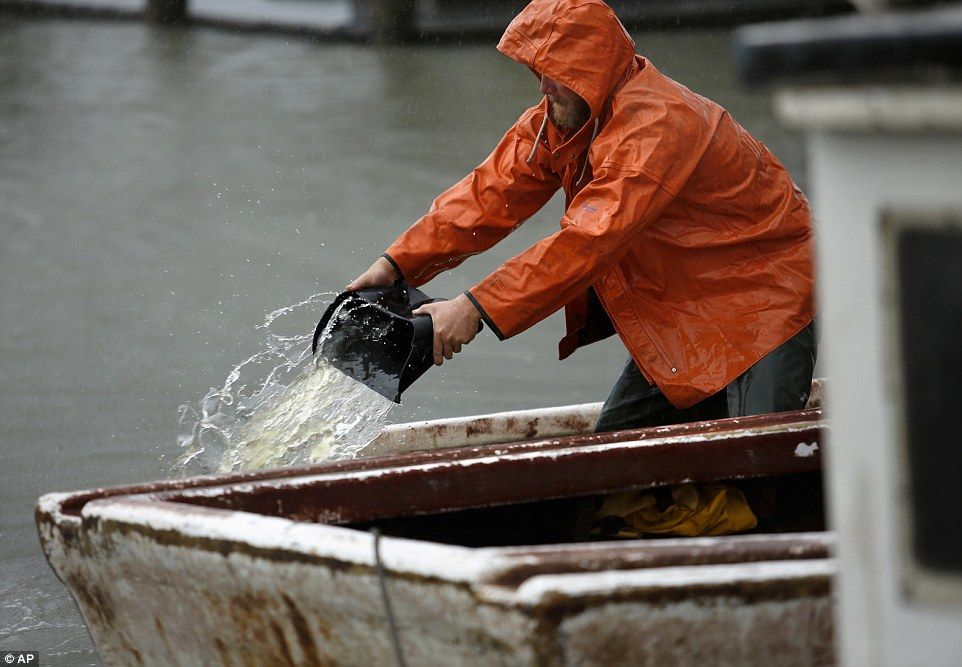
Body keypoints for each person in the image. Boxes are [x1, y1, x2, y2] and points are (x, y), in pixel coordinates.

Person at [347, 0, 816, 433]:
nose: (543, 85)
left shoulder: (657, 126)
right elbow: (487, 194)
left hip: (764, 300)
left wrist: (473, 309)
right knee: (611, 459)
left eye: (555, 72)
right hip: (683, 307)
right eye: (538, 70)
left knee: (754, 457)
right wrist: (394, 266)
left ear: (592, 71)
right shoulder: (564, 117)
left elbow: (587, 242)